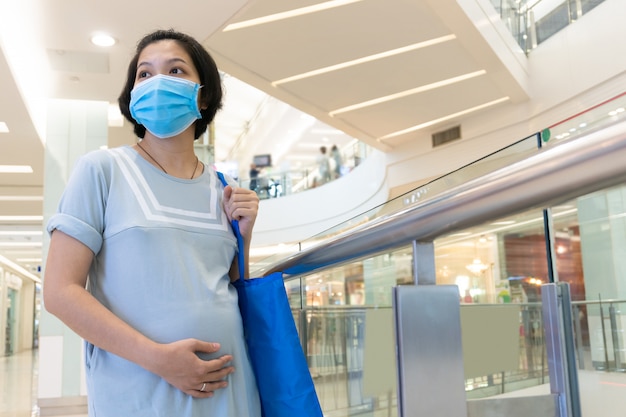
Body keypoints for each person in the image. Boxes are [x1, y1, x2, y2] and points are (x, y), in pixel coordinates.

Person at [43, 29, 261, 417]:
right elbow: (60, 292)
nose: (157, 81)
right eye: (144, 74)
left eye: (176, 70)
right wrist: (159, 359)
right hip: (141, 391)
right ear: (132, 95)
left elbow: (224, 284)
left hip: (229, 388)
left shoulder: (224, 188)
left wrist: (243, 237)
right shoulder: (102, 170)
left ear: (204, 94)